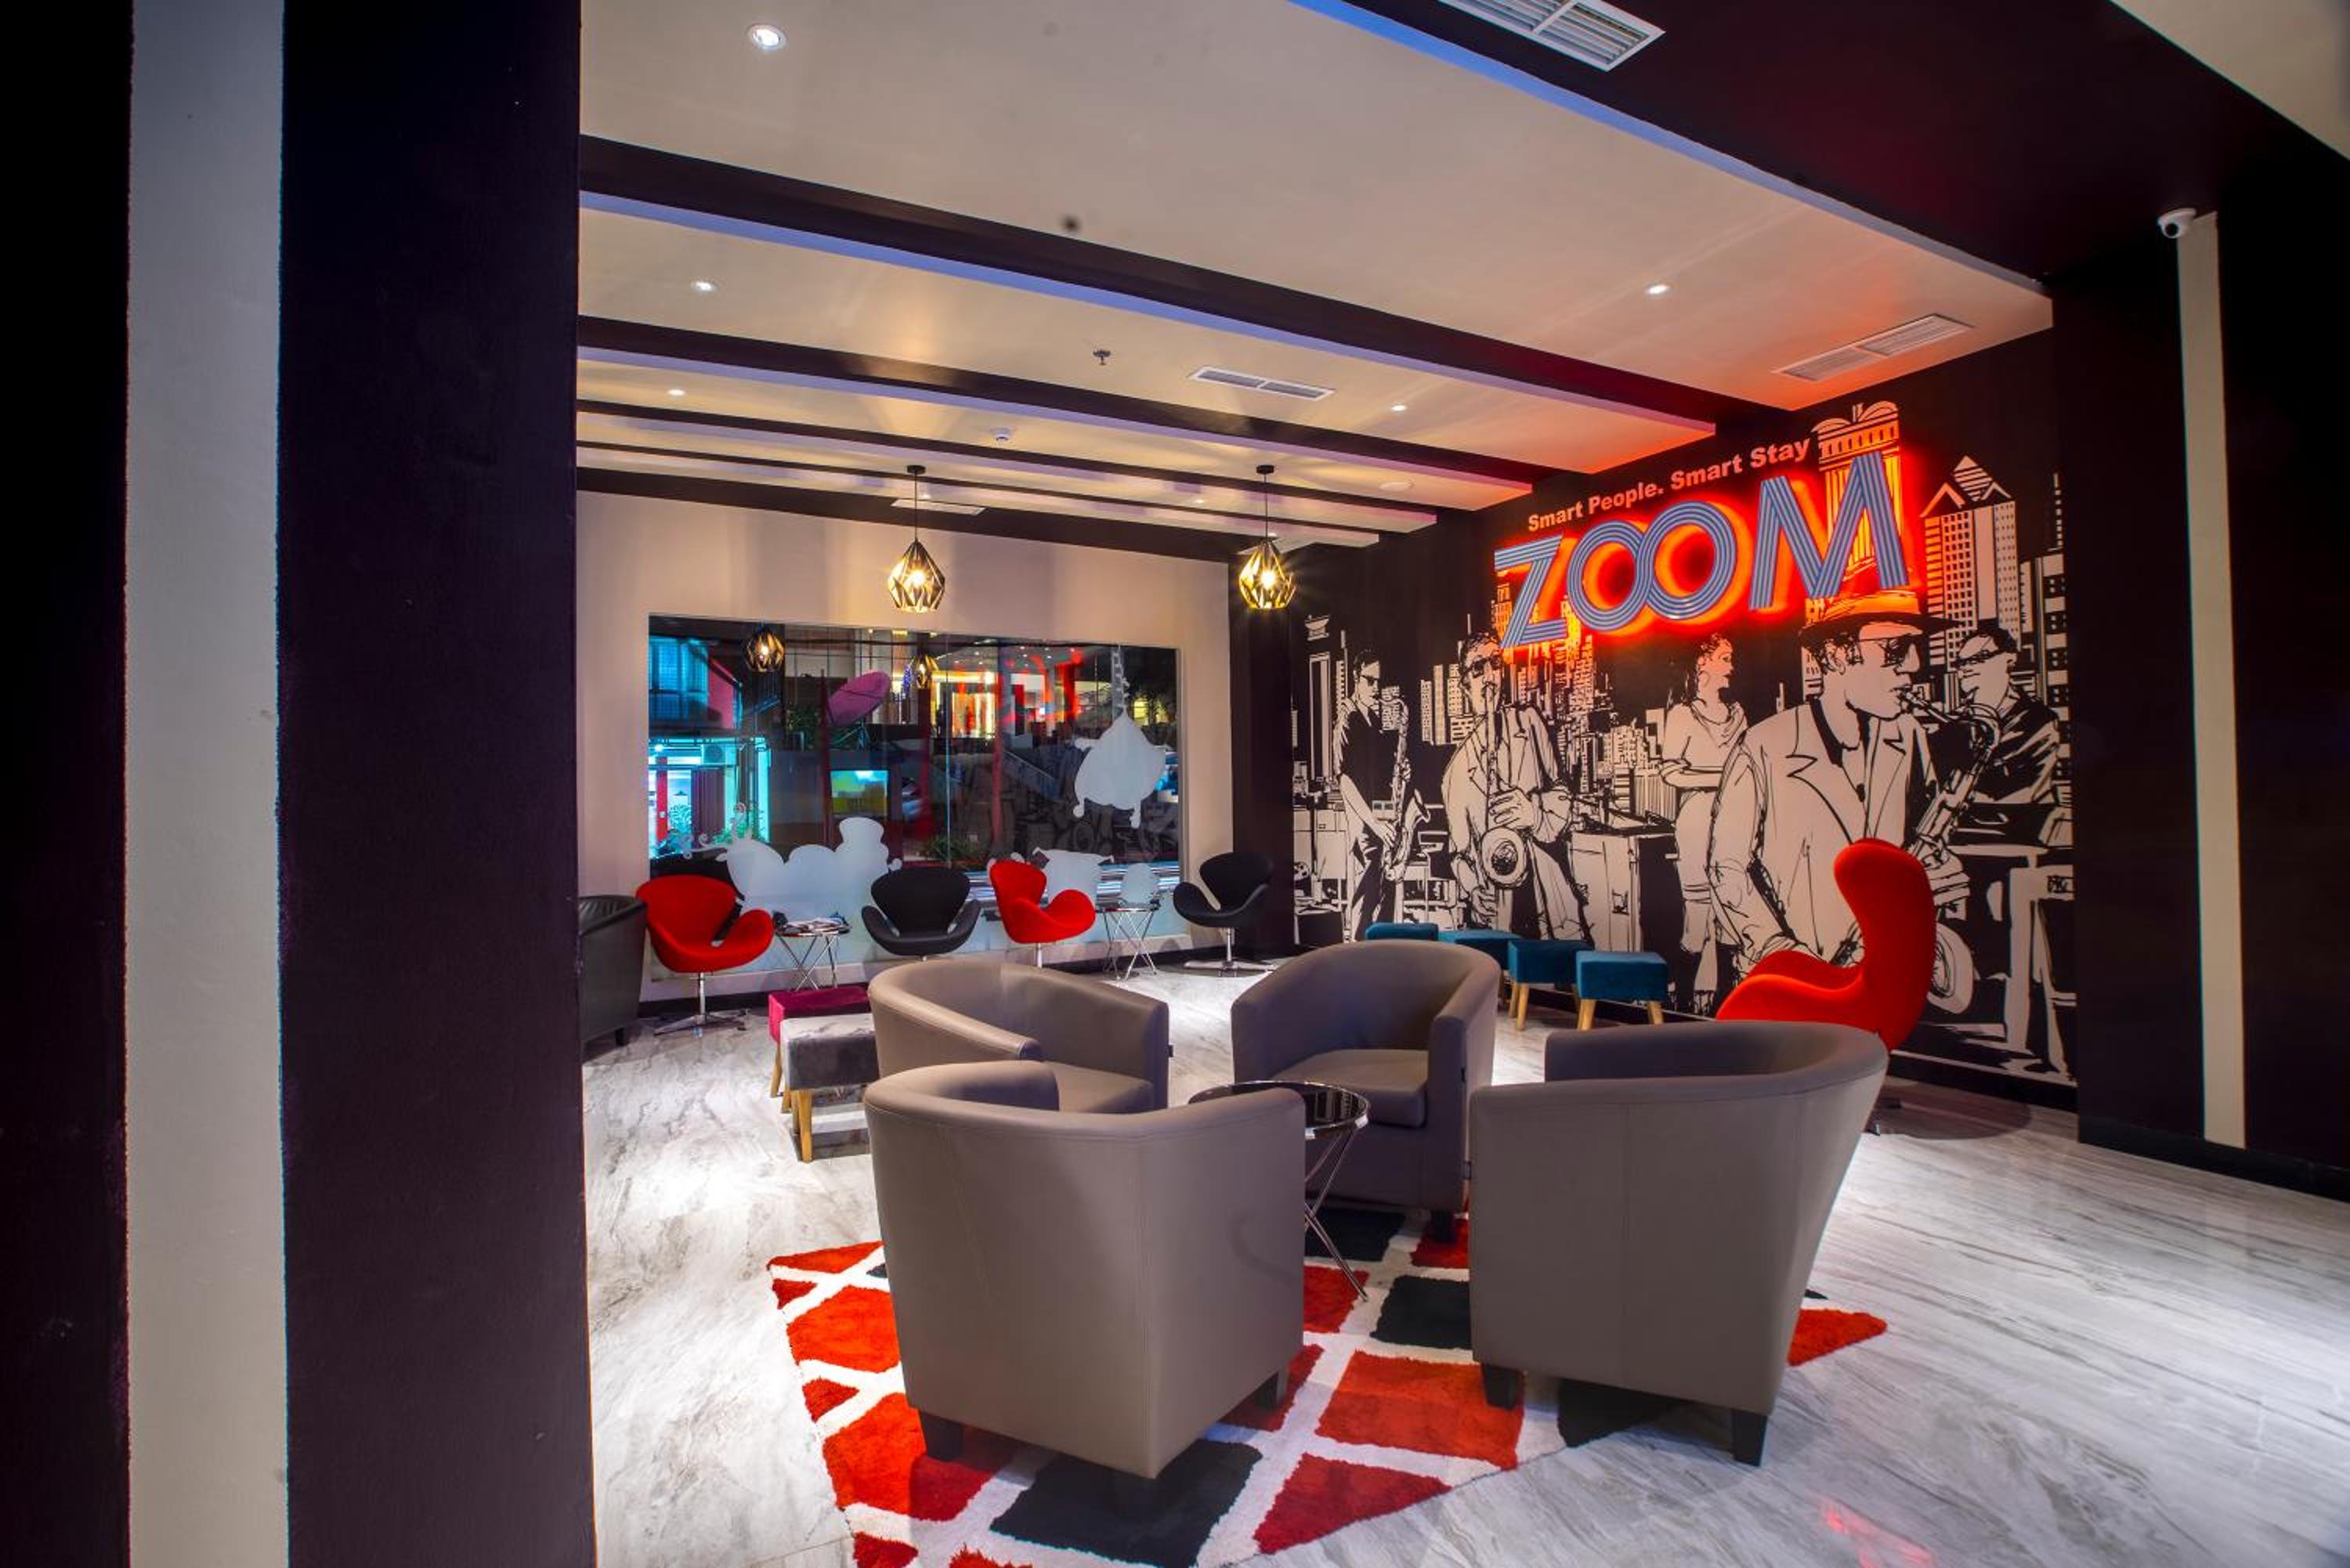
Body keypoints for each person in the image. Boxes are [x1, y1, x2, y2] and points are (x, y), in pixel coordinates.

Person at [1710, 589, 1964, 973]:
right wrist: (1777, 949)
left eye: (1916, 648)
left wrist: (1937, 870)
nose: (1913, 665)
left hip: (1879, 970)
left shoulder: (1909, 734)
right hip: (1786, 979)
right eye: (1896, 649)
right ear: (1835, 655)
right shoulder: (1763, 744)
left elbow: (1921, 836)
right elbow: (1727, 866)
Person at [1441, 634, 1585, 940]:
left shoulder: (1530, 722)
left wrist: (1534, 812)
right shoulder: (1455, 772)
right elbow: (1458, 854)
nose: (1489, 676)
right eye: (1478, 668)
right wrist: (1473, 890)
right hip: (1498, 912)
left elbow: (1563, 795)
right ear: (1464, 685)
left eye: (1495, 663)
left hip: (1550, 898)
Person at [1658, 634, 1747, 1009]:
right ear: (1703, 663)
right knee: (1697, 916)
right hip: (1696, 821)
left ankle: (1725, 1002)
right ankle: (1683, 1003)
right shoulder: (1682, 715)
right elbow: (1671, 772)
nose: (1731, 666)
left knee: (1730, 914)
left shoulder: (1738, 714)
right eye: (1724, 658)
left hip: (1734, 820)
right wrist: (1722, 777)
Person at [1940, 623, 2063, 807]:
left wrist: (1959, 796)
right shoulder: (1954, 722)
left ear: (2009, 659)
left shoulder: (2040, 720)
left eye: (1980, 658)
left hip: (2023, 823)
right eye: (1961, 662)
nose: (1965, 668)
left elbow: (2025, 792)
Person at [1334, 643, 1395, 939]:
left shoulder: (1373, 719)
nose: (1375, 688)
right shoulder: (1347, 717)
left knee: (1382, 889)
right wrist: (1374, 823)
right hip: (1365, 824)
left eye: (1378, 682)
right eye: (1370, 681)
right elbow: (1345, 779)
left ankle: (1379, 950)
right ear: (1356, 679)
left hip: (1379, 818)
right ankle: (1358, 949)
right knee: (1365, 894)